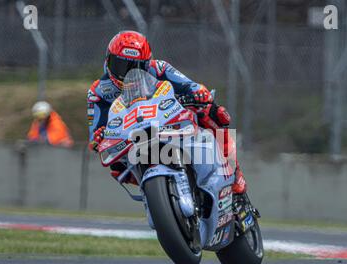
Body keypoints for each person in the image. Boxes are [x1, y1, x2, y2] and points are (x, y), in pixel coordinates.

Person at [87, 30, 257, 213]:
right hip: (132, 136)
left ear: (146, 64)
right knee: (115, 165)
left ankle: (234, 168)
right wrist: (98, 137)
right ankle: (155, 191)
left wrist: (199, 94)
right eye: (120, 66)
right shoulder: (98, 92)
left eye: (135, 67)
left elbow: (191, 86)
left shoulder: (159, 69)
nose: (127, 74)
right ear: (108, 61)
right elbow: (96, 130)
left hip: (169, 120)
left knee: (214, 112)